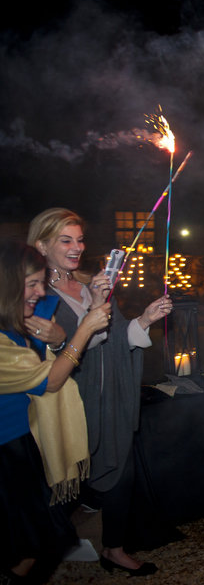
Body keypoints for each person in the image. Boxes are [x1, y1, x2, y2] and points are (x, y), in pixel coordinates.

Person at [28, 208, 171, 576]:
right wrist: (93, 309)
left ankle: (115, 548)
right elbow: (57, 352)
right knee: (67, 478)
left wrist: (144, 320)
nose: (77, 247)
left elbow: (114, 337)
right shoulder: (36, 294)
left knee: (121, 469)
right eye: (66, 240)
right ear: (42, 245)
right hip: (72, 401)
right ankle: (38, 552)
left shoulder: (92, 281)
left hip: (114, 396)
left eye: (79, 239)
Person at [1, 241, 110, 583]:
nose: (38, 291)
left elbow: (53, 340)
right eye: (31, 283)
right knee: (31, 541)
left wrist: (65, 333)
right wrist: (84, 329)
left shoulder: (22, 318)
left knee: (36, 539)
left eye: (40, 282)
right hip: (5, 450)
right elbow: (50, 380)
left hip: (24, 439)